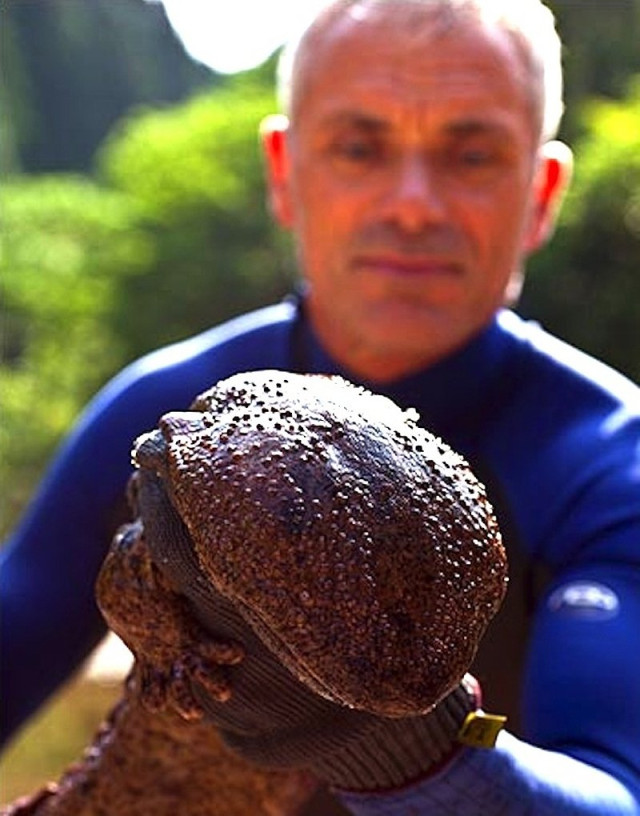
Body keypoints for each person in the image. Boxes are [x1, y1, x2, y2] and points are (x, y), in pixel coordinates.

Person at [1, 0, 638, 813]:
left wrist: (410, 750)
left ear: (542, 193)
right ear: (284, 173)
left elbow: (619, 791)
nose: (413, 205)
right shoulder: (160, 414)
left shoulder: (612, 460)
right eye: (359, 147)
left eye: (472, 154)